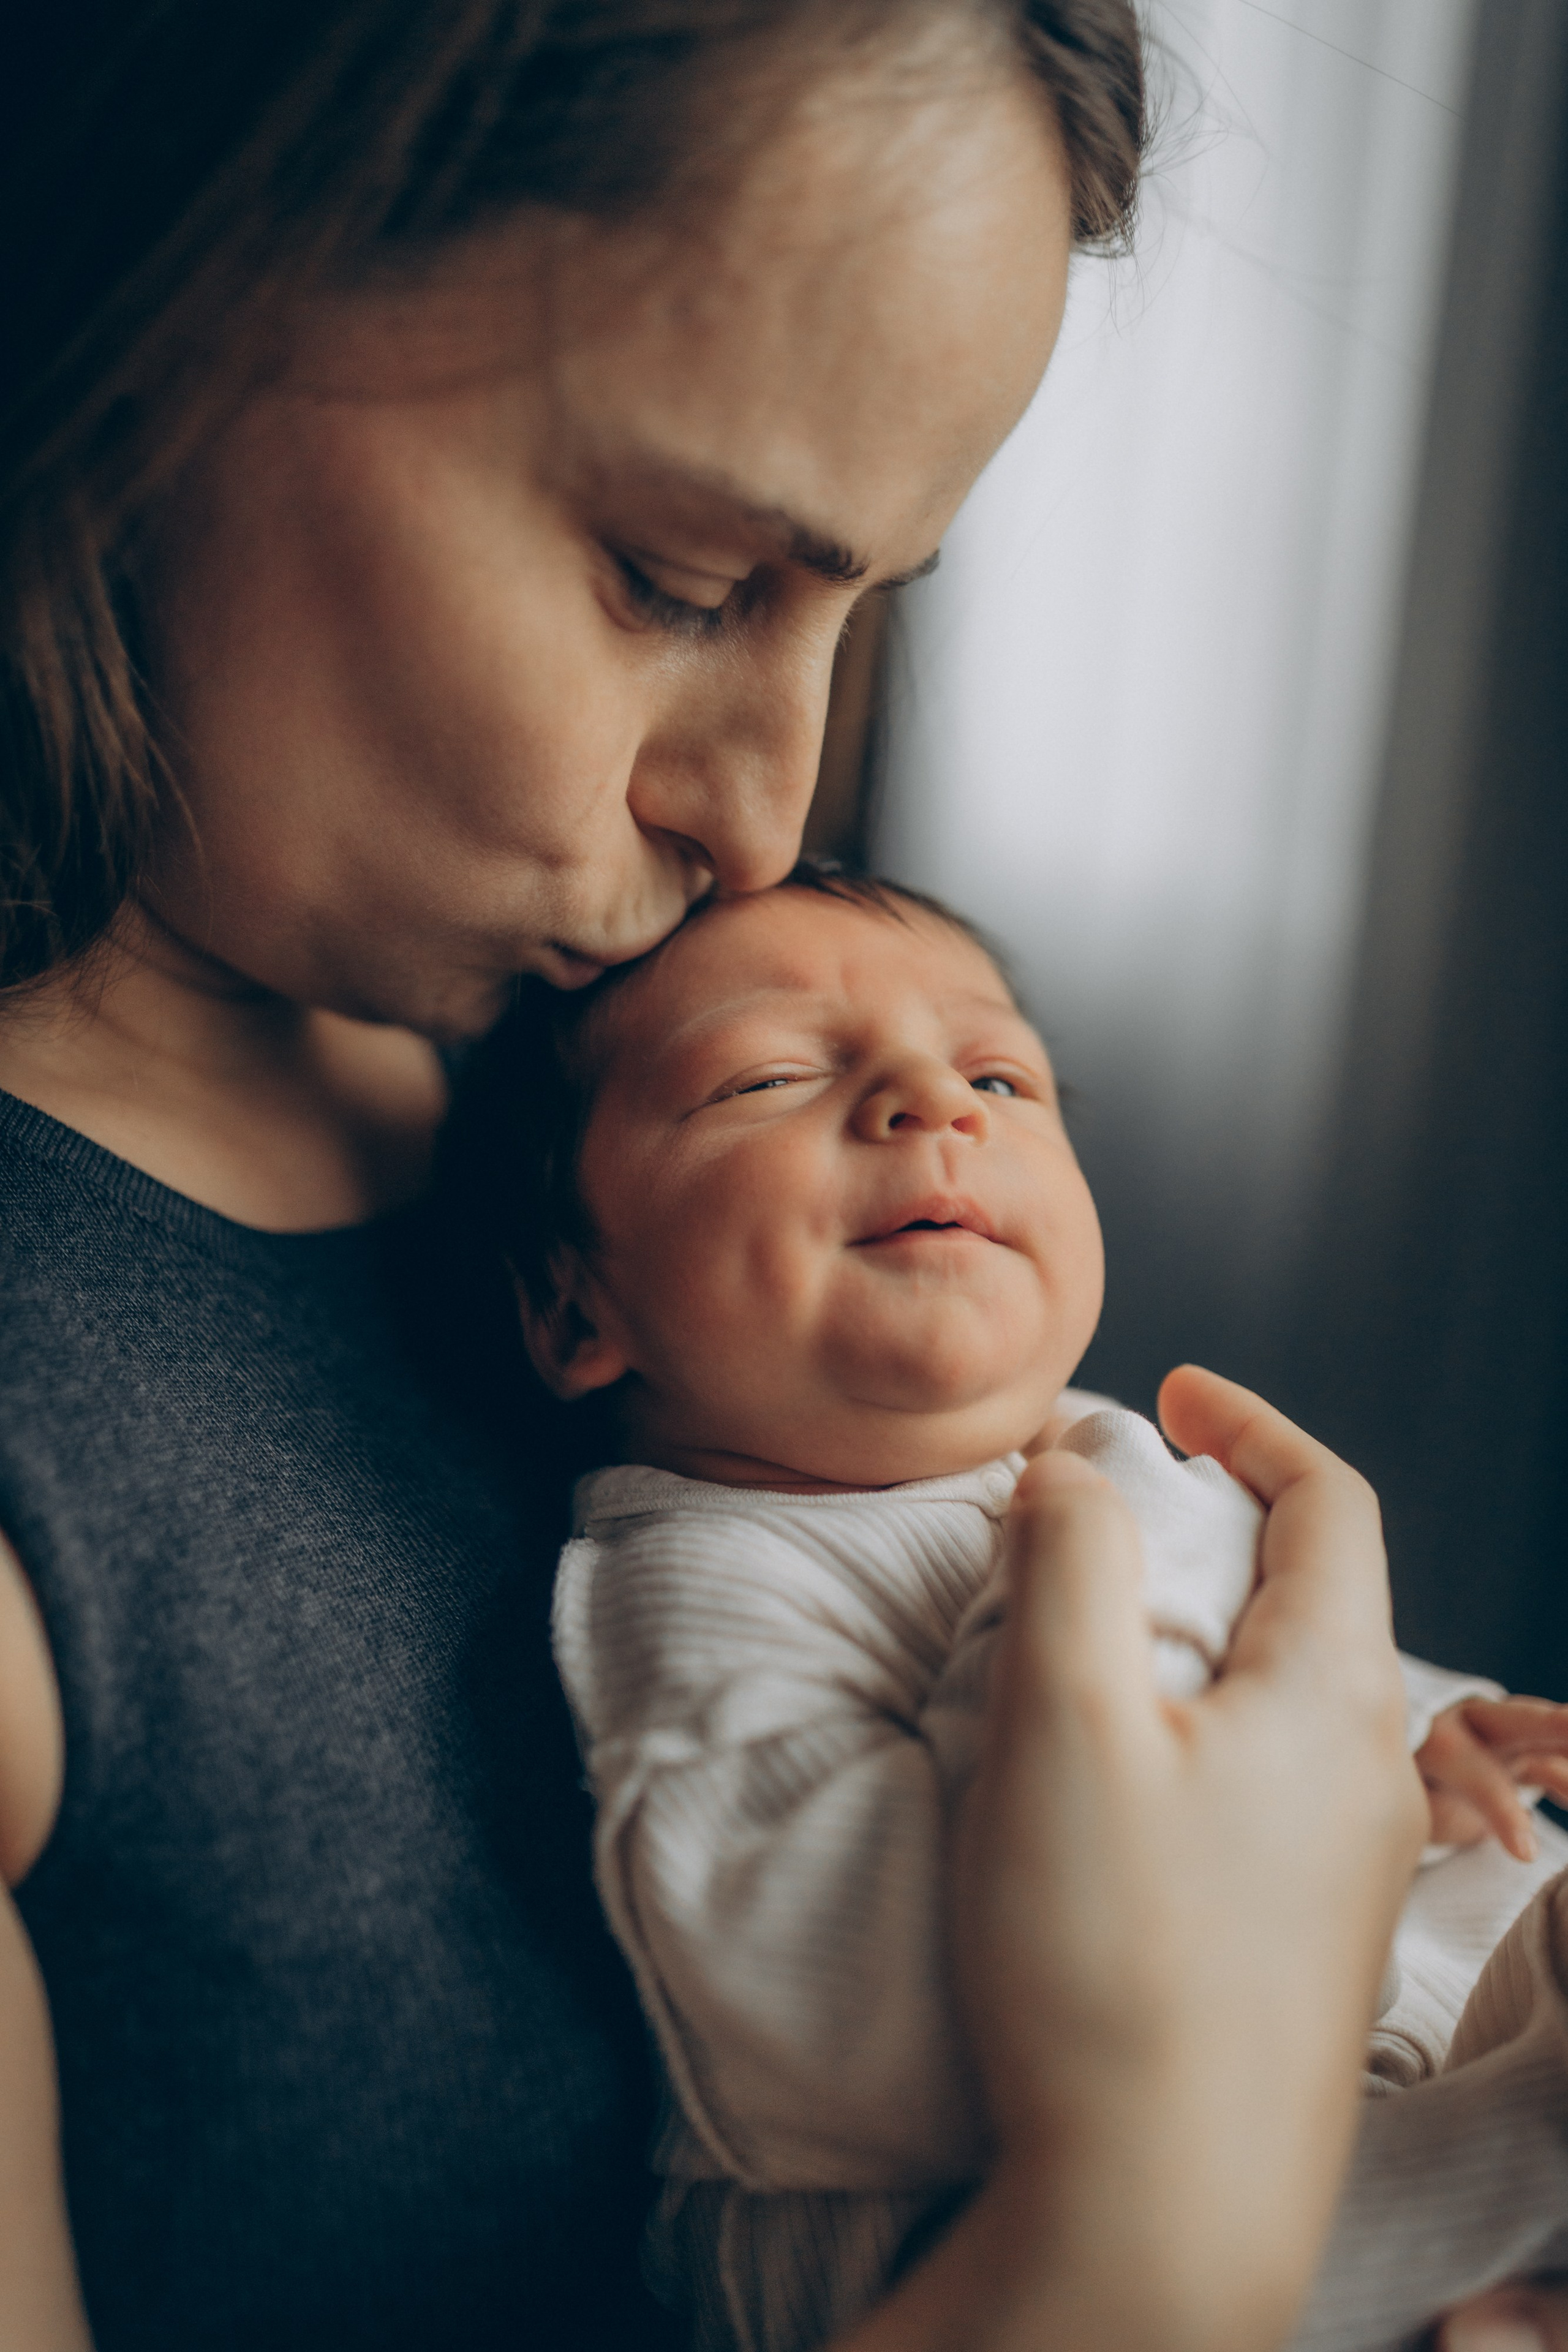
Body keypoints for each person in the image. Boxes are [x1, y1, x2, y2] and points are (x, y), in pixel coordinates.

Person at [0, 3, 1539, 2347]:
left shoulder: (589, 1077)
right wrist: (1161, 2204)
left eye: (868, 604)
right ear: (172, 276)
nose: (766, 816)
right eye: (685, 573)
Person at [462, 864, 1568, 2350]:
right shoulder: (709, 1570)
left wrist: (1416, 1763)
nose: (933, 1101)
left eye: (999, 1073)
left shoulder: (1119, 1454)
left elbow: (1312, 1709)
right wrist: (1057, 1644)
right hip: (948, 2221)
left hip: (1351, 2060)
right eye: (768, 1076)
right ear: (573, 1308)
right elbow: (813, 2001)